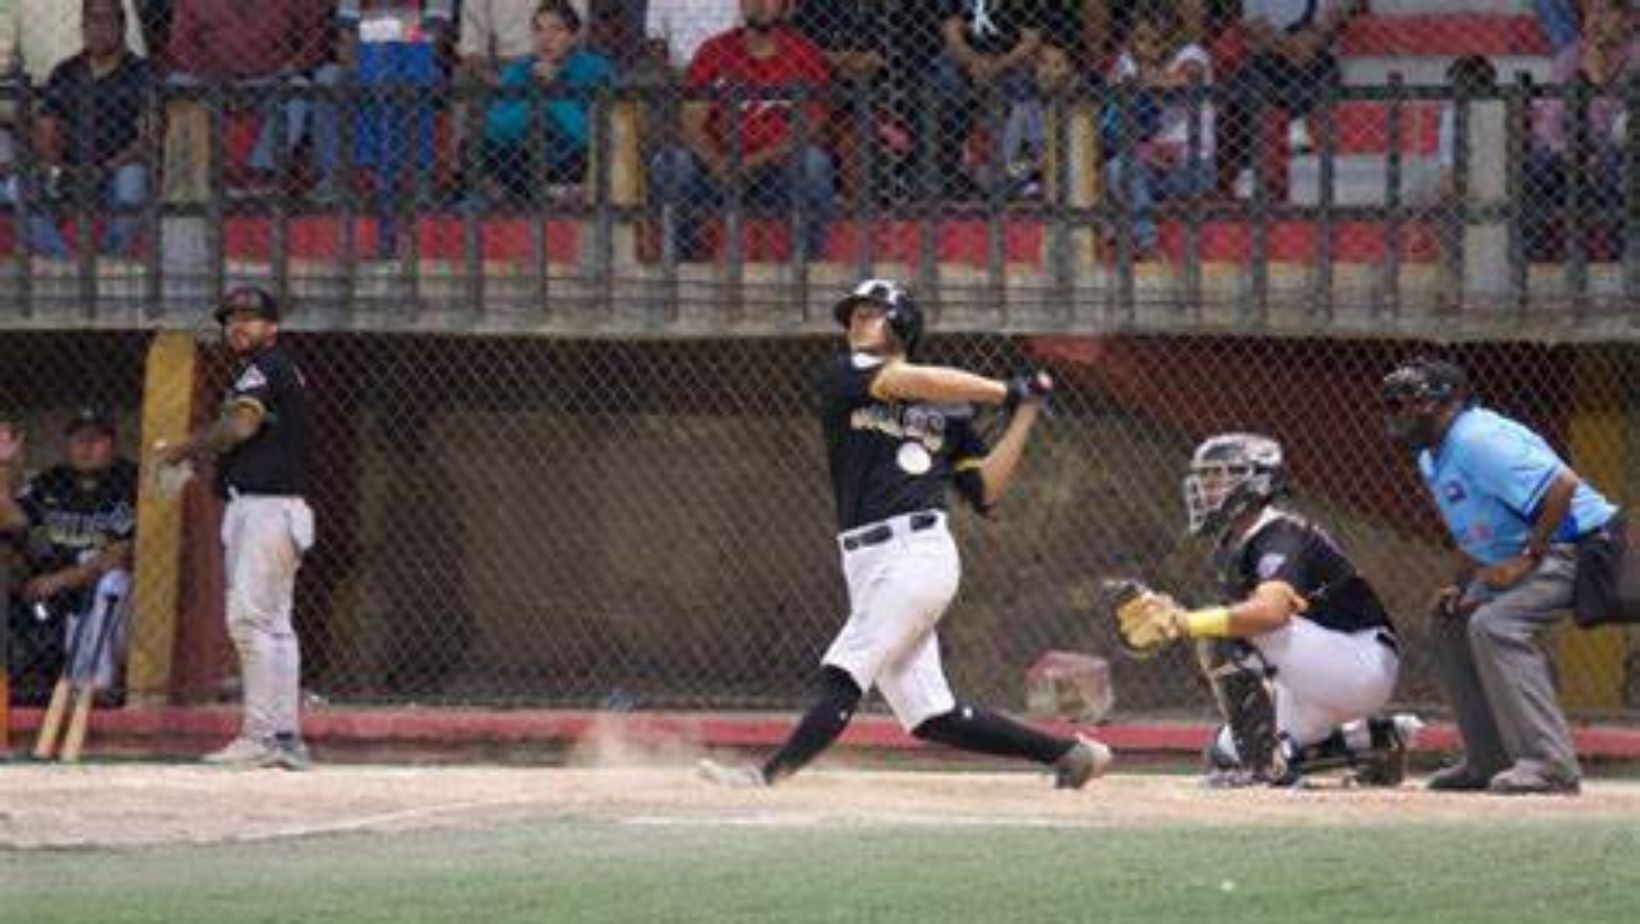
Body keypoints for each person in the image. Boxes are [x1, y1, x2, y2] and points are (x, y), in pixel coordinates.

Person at [698, 278, 1110, 789]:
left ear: (903, 324)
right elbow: (909, 382)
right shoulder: (844, 376)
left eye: (873, 313)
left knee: (846, 668)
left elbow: (984, 489)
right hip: (868, 562)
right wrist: (1007, 390)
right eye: (855, 315)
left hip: (918, 554)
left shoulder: (948, 409)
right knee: (930, 714)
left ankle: (766, 776)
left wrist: (1023, 413)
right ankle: (1071, 755)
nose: (858, 322)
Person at [1117, 433, 1417, 787]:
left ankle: (1262, 769)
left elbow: (1270, 614)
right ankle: (1377, 739)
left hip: (1359, 659)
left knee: (1219, 632)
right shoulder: (1235, 542)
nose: (1208, 486)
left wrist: (1185, 621)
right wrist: (1176, 614)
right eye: (1205, 476)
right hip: (1317, 674)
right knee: (1223, 753)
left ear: (1256, 480)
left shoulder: (1281, 533)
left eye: (1221, 475)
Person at [1382, 357, 1619, 795]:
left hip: (1584, 546)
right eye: (1395, 404)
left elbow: (1562, 486)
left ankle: (1550, 766)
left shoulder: (1478, 438)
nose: (1401, 413)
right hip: (1537, 551)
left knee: (1497, 625)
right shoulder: (1431, 456)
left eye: (1411, 402)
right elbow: (1474, 528)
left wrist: (1527, 559)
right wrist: (1462, 584)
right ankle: (1489, 760)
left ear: (1447, 402)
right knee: (1451, 620)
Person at [155, 286, 315, 770]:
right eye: (231, 319)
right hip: (280, 510)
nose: (238, 326)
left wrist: (180, 451)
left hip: (264, 511)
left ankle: (260, 736)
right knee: (276, 627)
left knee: (248, 623)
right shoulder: (277, 368)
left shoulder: (263, 367)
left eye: (250, 317)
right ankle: (284, 737)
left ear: (273, 326)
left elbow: (240, 426)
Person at [646, 0, 833, 260]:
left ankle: (809, 264)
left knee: (814, 164)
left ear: (785, 7)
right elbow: (690, 122)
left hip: (777, 172)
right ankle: (684, 262)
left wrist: (752, 163)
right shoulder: (715, 50)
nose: (760, 4)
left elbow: (809, 129)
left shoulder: (804, 54)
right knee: (670, 165)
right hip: (716, 171)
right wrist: (719, 163)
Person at [0, 405, 138, 702]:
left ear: (113, 444)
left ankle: (97, 688)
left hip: (110, 596)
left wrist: (60, 580)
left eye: (96, 439)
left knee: (112, 581)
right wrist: (6, 466)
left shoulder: (129, 481)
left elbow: (119, 554)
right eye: (78, 439)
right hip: (56, 597)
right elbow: (11, 519)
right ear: (67, 444)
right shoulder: (52, 481)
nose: (86, 447)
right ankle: (44, 687)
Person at [24, 0, 154, 259]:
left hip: (116, 169)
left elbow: (149, 138)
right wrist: (57, 168)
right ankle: (63, 260)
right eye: (92, 21)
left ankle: (109, 259)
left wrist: (106, 168)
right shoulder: (66, 71)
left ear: (122, 26)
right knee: (13, 188)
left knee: (134, 179)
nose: (99, 29)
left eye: (107, 20)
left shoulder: (141, 72)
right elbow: (45, 129)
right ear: (82, 27)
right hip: (69, 170)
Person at [1101, 4, 1214, 257]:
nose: (1148, 47)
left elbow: (1185, 81)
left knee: (1120, 170)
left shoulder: (1191, 54)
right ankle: (1117, 242)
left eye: (1157, 39)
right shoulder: (1128, 60)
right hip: (1148, 163)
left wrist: (1143, 77)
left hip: (1192, 167)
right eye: (1139, 39)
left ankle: (1147, 244)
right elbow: (1115, 117)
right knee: (1114, 168)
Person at [477, 0, 616, 203]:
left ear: (574, 37)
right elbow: (494, 128)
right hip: (527, 158)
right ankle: (549, 193)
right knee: (474, 145)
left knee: (593, 154)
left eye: (556, 30)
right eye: (538, 30)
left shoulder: (596, 69)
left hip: (573, 159)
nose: (545, 38)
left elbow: (588, 135)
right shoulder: (519, 69)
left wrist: (555, 94)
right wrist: (534, 101)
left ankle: (522, 194)